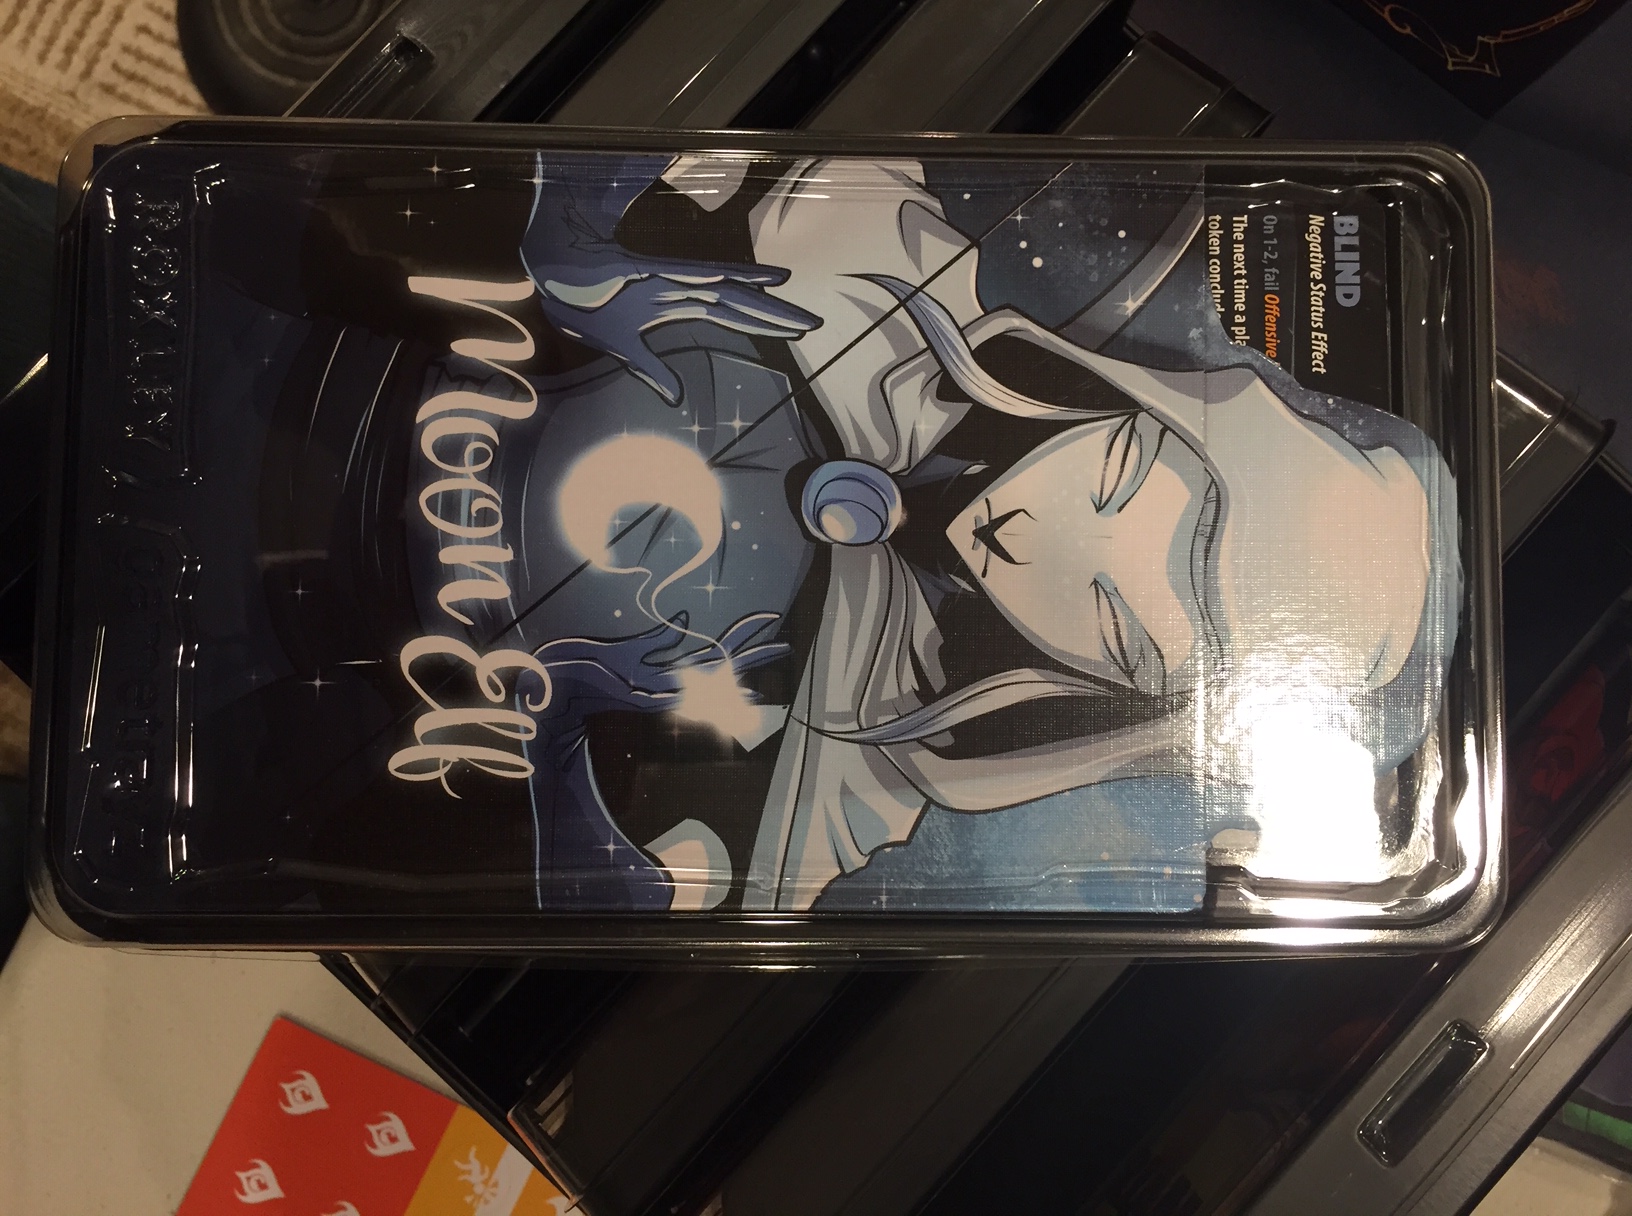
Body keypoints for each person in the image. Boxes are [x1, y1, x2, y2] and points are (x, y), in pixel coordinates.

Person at [406, 151, 1459, 914]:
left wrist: (554, 752)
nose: (1029, 541)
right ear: (1138, 403)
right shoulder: (870, 259)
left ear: (1114, 701)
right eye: (1116, 477)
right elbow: (556, 180)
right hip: (400, 359)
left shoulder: (844, 785)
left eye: (1117, 629)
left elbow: (591, 880)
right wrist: (573, 256)